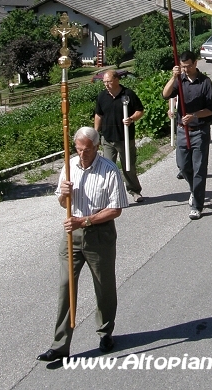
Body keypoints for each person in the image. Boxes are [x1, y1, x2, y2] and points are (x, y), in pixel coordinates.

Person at [37, 127, 129, 361]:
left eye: (86, 150)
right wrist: (63, 195)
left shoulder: (109, 170)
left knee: (103, 286)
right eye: (78, 149)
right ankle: (60, 344)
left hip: (99, 234)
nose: (82, 154)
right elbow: (61, 201)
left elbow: (116, 208)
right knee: (65, 286)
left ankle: (105, 332)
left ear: (97, 147)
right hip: (72, 236)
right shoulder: (69, 166)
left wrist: (86, 221)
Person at [162, 50, 212, 220]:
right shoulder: (180, 80)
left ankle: (197, 206)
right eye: (183, 67)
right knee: (183, 165)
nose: (185, 69)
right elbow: (165, 94)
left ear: (195, 64)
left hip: (199, 131)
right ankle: (194, 189)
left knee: (199, 169)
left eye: (188, 66)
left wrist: (194, 115)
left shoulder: (205, 82)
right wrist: (173, 77)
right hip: (182, 130)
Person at [94, 70, 145, 202]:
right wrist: (95, 134)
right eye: (104, 82)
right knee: (108, 168)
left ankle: (134, 191)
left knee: (129, 166)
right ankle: (111, 195)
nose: (106, 84)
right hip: (108, 138)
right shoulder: (102, 96)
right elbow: (99, 115)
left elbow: (140, 110)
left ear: (117, 80)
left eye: (109, 81)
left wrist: (132, 119)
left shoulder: (127, 94)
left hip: (125, 138)